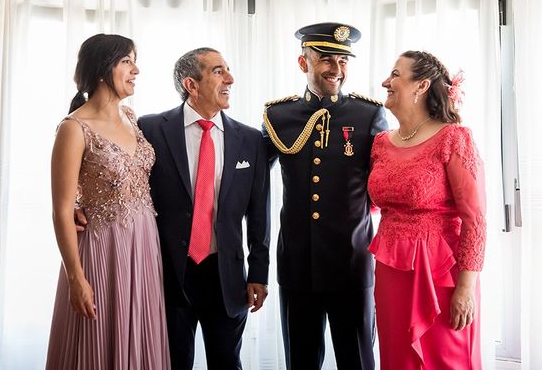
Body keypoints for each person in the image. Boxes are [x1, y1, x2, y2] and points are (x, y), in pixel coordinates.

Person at [262, 23, 387, 370]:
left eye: (343, 61)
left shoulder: (368, 115)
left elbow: (389, 179)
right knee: (300, 361)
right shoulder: (278, 116)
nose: (336, 70)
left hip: (351, 261)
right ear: (304, 63)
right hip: (297, 264)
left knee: (357, 360)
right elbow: (254, 185)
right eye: (326, 60)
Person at [137, 47, 270, 370]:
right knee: (171, 363)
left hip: (226, 277)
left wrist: (259, 273)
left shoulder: (251, 140)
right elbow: (125, 177)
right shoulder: (151, 128)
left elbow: (259, 213)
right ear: (191, 85)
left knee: (227, 363)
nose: (230, 79)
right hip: (169, 275)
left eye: (228, 70)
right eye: (218, 71)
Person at [46, 34, 170, 369]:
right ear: (104, 68)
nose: (136, 70)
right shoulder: (74, 128)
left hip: (144, 245)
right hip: (102, 247)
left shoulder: (131, 117)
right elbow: (60, 209)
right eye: (127, 61)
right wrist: (75, 276)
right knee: (97, 337)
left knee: (142, 335)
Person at [368, 50, 486, 369]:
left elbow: (475, 221)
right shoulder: (380, 143)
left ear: (420, 86)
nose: (385, 82)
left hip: (441, 276)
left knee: (446, 358)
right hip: (391, 271)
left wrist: (466, 289)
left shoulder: (454, 138)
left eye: (395, 74)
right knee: (397, 358)